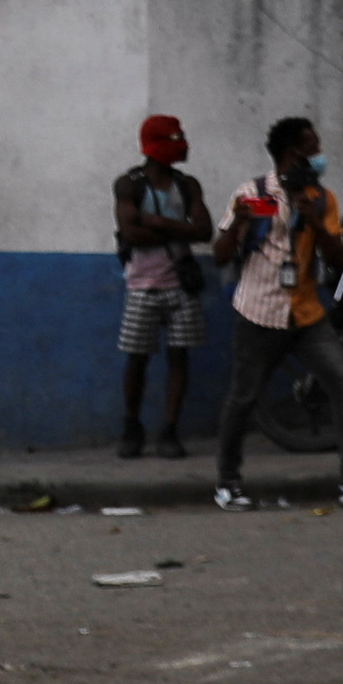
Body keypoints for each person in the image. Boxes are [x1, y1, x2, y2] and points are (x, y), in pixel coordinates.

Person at [212, 118, 343, 510]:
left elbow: (337, 257)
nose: (319, 156)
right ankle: (227, 483)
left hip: (306, 313)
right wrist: (240, 224)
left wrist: (312, 217)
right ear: (291, 154)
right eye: (312, 148)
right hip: (259, 312)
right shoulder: (255, 194)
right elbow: (221, 253)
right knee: (243, 397)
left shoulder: (321, 199)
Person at [111, 113, 215, 460]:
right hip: (142, 285)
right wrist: (179, 226)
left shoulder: (188, 185)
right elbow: (131, 233)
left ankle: (169, 431)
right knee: (136, 360)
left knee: (179, 357)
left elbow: (204, 231)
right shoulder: (129, 184)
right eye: (175, 138)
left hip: (181, 284)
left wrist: (154, 221)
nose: (182, 144)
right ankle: (132, 426)